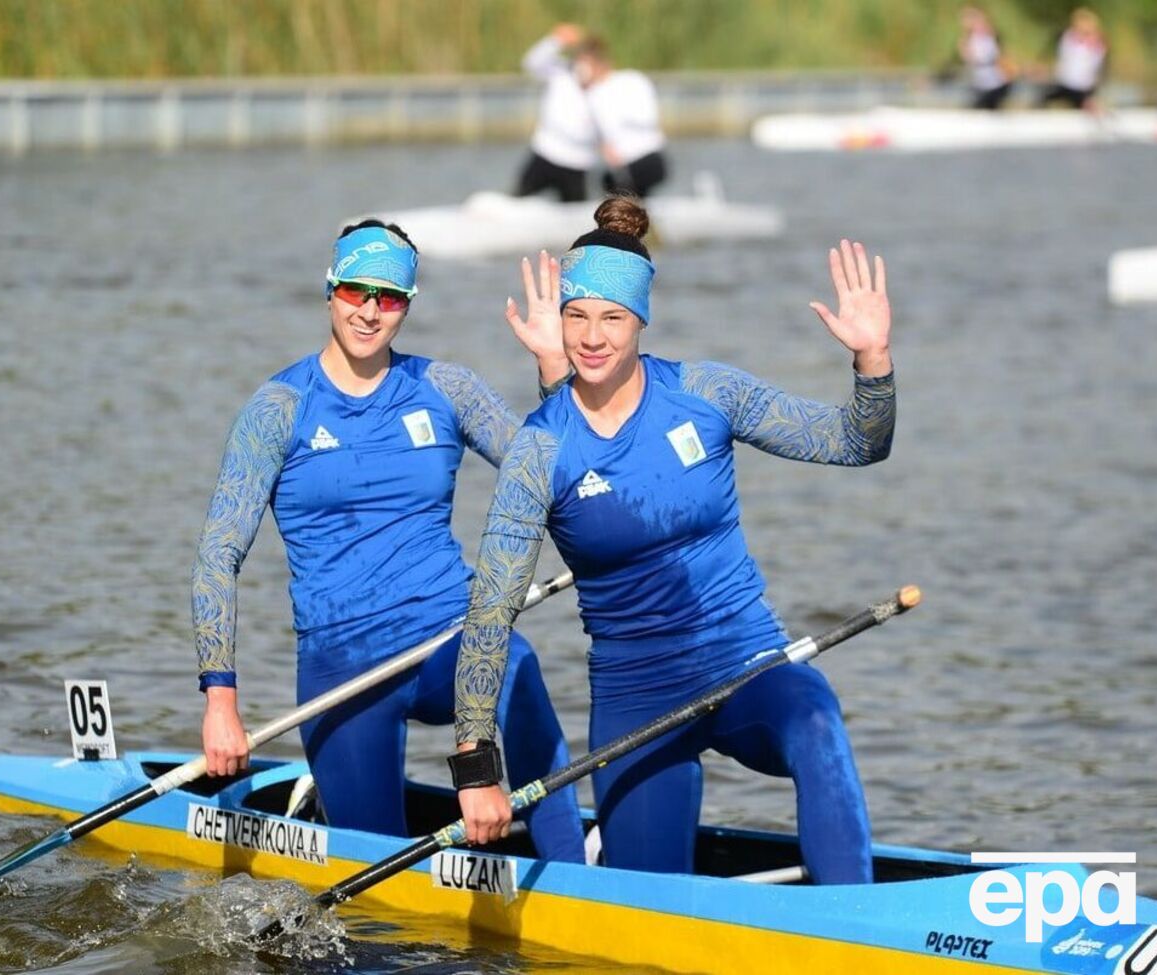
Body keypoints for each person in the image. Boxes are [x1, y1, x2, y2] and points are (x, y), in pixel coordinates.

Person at [448, 197, 896, 882]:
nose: (591, 337)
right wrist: (476, 767)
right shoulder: (540, 449)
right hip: (637, 696)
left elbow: (857, 442)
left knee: (814, 715)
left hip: (746, 662)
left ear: (641, 320)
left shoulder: (706, 392)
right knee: (647, 895)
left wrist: (872, 358)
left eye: (612, 318)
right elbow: (490, 611)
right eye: (576, 316)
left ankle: (860, 928)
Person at [192, 220, 584, 862]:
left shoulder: (446, 389)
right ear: (330, 290)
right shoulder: (279, 409)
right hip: (342, 668)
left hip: (446, 639)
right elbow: (218, 555)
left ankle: (573, 877)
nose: (370, 312)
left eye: (391, 297)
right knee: (374, 913)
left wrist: (554, 370)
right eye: (356, 292)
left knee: (515, 664)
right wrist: (221, 702)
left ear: (407, 304)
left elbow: (557, 479)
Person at [573, 36, 668, 198]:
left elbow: (647, 118)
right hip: (621, 167)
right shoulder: (590, 95)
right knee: (608, 185)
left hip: (646, 158)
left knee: (619, 195)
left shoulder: (631, 81)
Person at [515, 24, 597, 203]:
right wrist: (557, 40)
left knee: (577, 216)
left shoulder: (603, 86)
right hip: (546, 154)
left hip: (578, 162)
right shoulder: (560, 73)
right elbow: (531, 62)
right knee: (517, 201)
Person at [1036, 7, 1109, 110]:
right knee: (1041, 99)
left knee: (1088, 105)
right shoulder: (1064, 36)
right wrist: (1041, 68)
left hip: (1084, 88)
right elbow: (1046, 55)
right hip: (1063, 83)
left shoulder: (1098, 43)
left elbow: (1102, 68)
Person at [956, 6, 1014, 110]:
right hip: (979, 83)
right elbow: (969, 59)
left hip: (994, 82)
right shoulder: (968, 40)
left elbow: (1001, 59)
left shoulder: (990, 37)